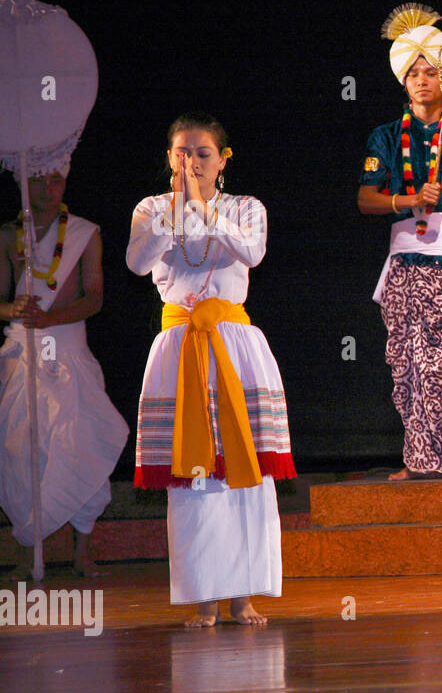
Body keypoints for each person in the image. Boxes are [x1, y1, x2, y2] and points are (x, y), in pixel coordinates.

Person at [128, 113, 295, 626]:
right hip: (180, 347)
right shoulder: (152, 208)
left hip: (236, 347)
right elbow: (138, 262)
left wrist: (204, 210)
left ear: (223, 159)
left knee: (244, 471)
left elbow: (253, 251)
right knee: (195, 475)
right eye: (182, 153)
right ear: (169, 159)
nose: (192, 162)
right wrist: (178, 211)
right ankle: (205, 596)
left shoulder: (246, 208)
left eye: (203, 153)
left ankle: (243, 594)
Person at [358, 3, 442, 481]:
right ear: (403, 82)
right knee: (405, 361)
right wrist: (409, 198)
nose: (421, 80)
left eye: (430, 72)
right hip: (404, 261)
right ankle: (417, 459)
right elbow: (366, 198)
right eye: (413, 73)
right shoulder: (386, 137)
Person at [0, 162, 128, 578]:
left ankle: (82, 551)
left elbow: (94, 297)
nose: (50, 188)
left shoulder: (84, 233)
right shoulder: (7, 235)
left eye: (58, 180)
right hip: (23, 353)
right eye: (41, 179)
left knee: (80, 445)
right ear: (25, 182)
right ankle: (25, 551)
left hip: (69, 350)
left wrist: (52, 319)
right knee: (22, 452)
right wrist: (14, 309)